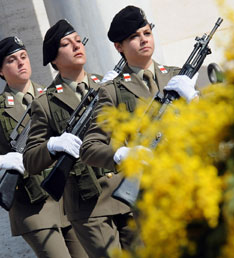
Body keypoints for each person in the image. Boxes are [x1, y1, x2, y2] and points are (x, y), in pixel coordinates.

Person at [80, 3, 199, 248]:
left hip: (193, 185)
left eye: (147, 33)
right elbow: (89, 147)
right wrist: (124, 154)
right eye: (134, 36)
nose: (144, 40)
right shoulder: (111, 92)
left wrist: (196, 101)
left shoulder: (178, 78)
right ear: (118, 46)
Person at [23, 19, 136, 258]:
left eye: (78, 40)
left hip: (127, 192)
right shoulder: (45, 103)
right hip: (89, 205)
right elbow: (31, 160)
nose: (77, 46)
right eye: (67, 43)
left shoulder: (110, 85)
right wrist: (52, 146)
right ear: (54, 59)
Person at [0, 36, 87, 258]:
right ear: (0, 71)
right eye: (12, 60)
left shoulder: (53, 96)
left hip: (68, 200)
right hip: (32, 207)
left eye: (24, 57)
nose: (21, 63)